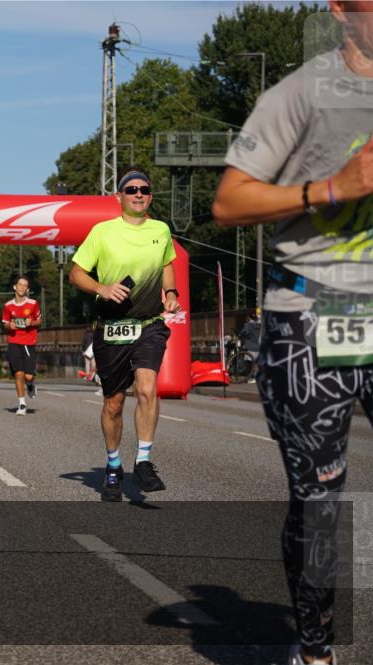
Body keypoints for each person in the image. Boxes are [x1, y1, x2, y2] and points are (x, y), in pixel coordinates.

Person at [212, 5, 372, 661]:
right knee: (319, 504)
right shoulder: (301, 93)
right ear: (340, 10)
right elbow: (229, 202)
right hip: (313, 313)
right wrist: (332, 187)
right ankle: (315, 650)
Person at [69, 169, 181, 502]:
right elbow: (76, 274)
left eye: (144, 189)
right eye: (131, 189)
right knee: (114, 403)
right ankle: (114, 464)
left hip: (148, 324)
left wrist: (171, 291)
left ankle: (143, 461)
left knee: (146, 387)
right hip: (112, 327)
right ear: (118, 197)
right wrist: (101, 288)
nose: (138, 194)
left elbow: (167, 263)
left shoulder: (160, 230)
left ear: (150, 196)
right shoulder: (102, 232)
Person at [2, 277, 41, 415]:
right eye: (20, 284)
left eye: (25, 285)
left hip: (29, 342)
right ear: (15, 287)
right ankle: (22, 404)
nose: (22, 287)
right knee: (19, 374)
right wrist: (10, 326)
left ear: (28, 289)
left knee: (29, 376)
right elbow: (5, 323)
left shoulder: (33, 304)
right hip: (14, 342)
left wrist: (32, 323)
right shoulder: (8, 305)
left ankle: (30, 385)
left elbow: (39, 320)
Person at [237, 309, 262, 383]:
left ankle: (253, 377)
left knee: (251, 363)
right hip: (257, 346)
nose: (246, 318)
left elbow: (243, 333)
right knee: (255, 363)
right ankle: (256, 377)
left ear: (249, 317)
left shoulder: (248, 325)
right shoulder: (258, 325)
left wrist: (240, 334)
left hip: (250, 346)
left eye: (247, 317)